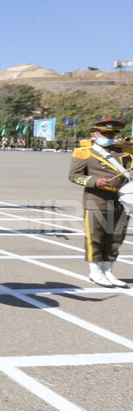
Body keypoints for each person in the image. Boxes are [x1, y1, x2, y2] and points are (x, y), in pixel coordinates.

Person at [68, 118, 132, 288]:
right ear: (94, 133)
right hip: (96, 200)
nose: (109, 136)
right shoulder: (85, 152)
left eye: (112, 133)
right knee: (95, 237)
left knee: (115, 237)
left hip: (121, 201)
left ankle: (108, 270)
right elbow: (74, 176)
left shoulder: (124, 151)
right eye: (105, 133)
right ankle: (95, 271)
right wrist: (94, 181)